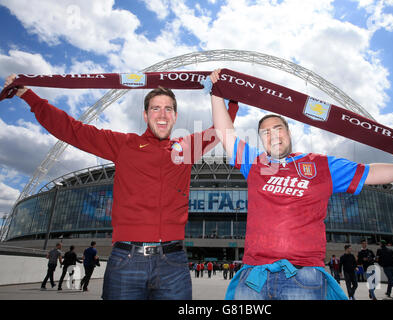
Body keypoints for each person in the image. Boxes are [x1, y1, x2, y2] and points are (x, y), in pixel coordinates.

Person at [208, 69, 393, 300]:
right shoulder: (255, 163)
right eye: (265, 133)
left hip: (304, 276)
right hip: (255, 277)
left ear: (289, 133)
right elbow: (225, 132)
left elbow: (371, 172)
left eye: (278, 128)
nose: (273, 135)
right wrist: (217, 92)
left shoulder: (321, 165)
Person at [3, 74, 238, 300]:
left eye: (168, 109)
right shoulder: (125, 144)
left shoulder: (187, 147)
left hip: (173, 262)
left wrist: (234, 96)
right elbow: (72, 130)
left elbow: (220, 129)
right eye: (155, 108)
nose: (162, 114)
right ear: (145, 115)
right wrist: (28, 95)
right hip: (127, 259)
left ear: (175, 116)